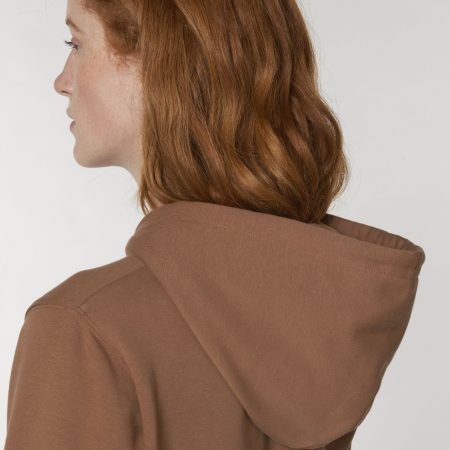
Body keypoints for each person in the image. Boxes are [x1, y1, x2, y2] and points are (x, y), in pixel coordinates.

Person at [3, 0, 426, 449]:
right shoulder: (319, 315)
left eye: (76, 43)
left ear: (160, 63)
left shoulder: (84, 330)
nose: (62, 81)